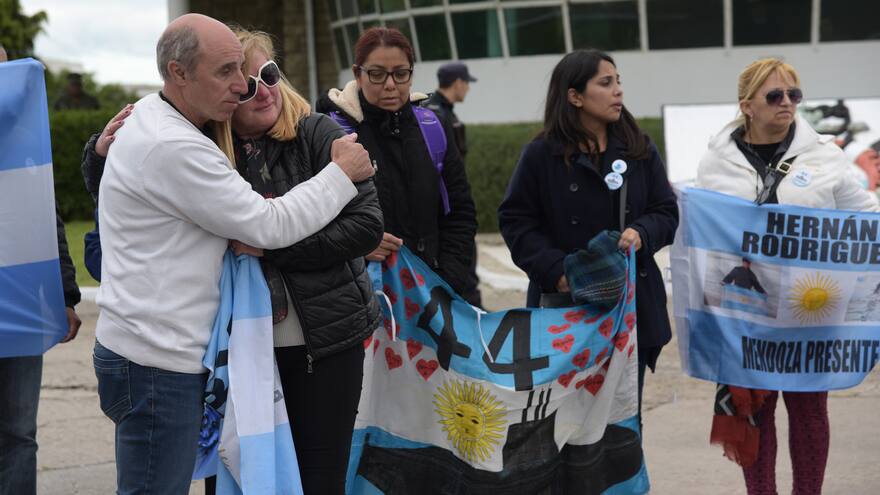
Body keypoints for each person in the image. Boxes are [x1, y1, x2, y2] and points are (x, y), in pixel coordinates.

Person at [84, 27, 383, 494]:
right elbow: (268, 224)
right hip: (168, 361)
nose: (248, 87)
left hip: (310, 343)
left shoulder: (163, 118)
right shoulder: (182, 144)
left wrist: (273, 248)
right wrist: (339, 174)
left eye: (267, 74)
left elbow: (363, 225)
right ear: (178, 74)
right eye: (230, 73)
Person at [696, 57, 879, 495]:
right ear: (747, 106)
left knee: (810, 408)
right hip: (747, 308)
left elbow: (866, 216)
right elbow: (701, 232)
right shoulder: (715, 164)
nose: (787, 103)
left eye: (794, 95)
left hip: (811, 305)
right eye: (774, 96)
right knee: (756, 408)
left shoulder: (825, 157)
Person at [497, 49, 678, 417]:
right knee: (565, 428)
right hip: (565, 313)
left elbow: (666, 210)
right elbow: (517, 221)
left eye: (618, 82)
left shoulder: (639, 149)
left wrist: (642, 232)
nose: (618, 92)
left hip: (631, 307)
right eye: (605, 83)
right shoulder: (540, 155)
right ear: (575, 96)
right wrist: (558, 272)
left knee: (623, 426)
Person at [319, 28, 480, 307]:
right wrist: (358, 244)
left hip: (433, 295)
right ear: (358, 74)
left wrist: (446, 283)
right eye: (377, 74)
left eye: (400, 73)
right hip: (358, 301)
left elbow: (460, 213)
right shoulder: (329, 132)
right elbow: (308, 220)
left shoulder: (434, 127)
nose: (391, 84)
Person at [0, 43, 83, 495]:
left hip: (17, 304)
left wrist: (66, 296)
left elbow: (43, 218)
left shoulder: (22, 142)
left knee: (17, 432)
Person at [423, 61, 476, 160]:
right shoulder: (435, 114)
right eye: (467, 83)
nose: (468, 88)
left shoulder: (441, 110)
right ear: (458, 83)